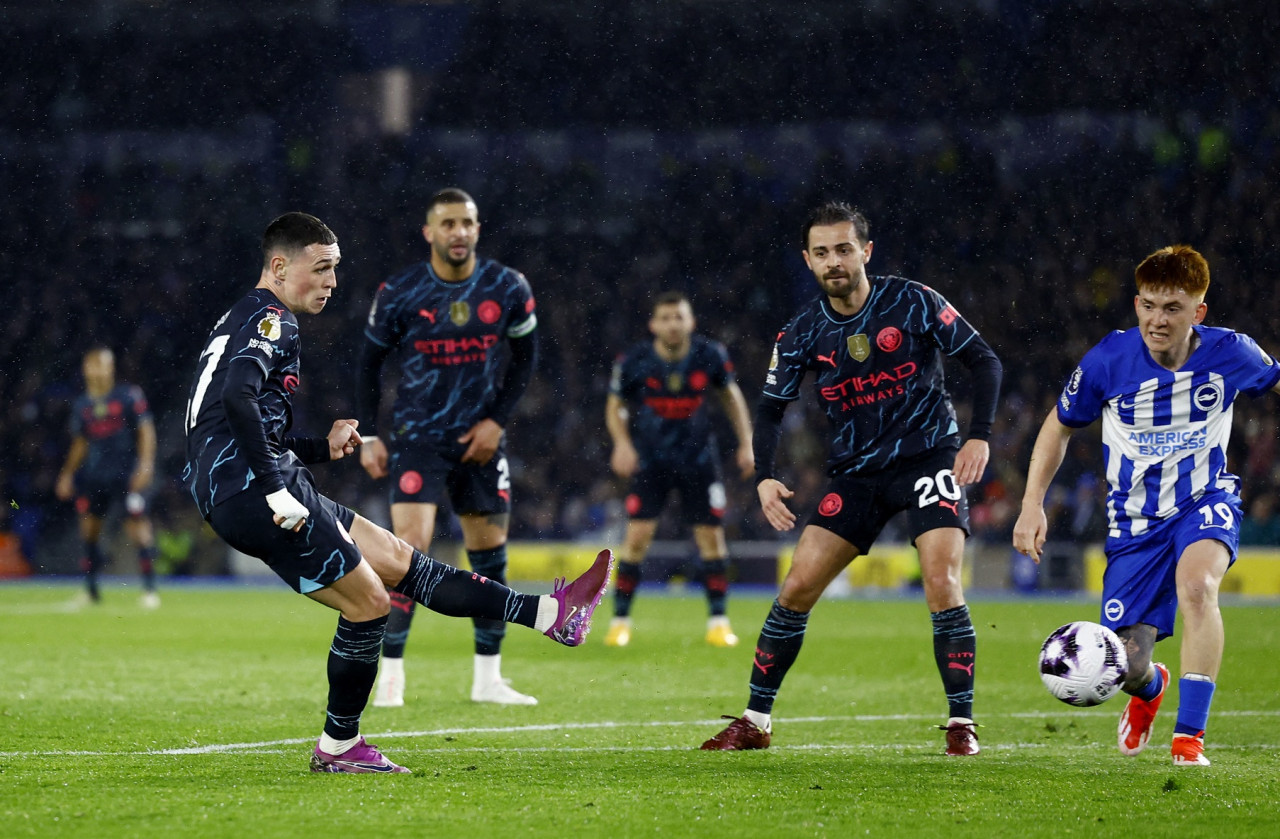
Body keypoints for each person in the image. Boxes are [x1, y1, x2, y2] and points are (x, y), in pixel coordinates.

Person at [183, 212, 612, 774]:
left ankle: (552, 614)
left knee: (397, 559)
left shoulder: (242, 315)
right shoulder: (274, 320)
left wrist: (320, 447)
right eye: (323, 268)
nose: (333, 282)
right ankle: (339, 747)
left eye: (336, 269)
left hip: (247, 481)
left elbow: (237, 418)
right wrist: (274, 489)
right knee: (371, 605)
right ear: (280, 266)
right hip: (256, 488)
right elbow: (238, 401)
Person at [701, 202, 1002, 755]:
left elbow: (985, 361)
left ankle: (962, 726)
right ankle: (755, 721)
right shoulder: (802, 331)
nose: (833, 261)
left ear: (866, 251)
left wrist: (979, 434)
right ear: (808, 260)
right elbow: (769, 410)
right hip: (858, 474)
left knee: (941, 582)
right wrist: (764, 476)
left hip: (927, 459)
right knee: (796, 587)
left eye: (843, 249)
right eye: (822, 253)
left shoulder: (913, 300)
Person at [1012, 244, 1280, 767]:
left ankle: (1189, 738)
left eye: (1173, 308)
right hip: (1134, 523)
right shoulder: (1108, 359)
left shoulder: (1233, 353)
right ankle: (1152, 687)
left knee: (1198, 587)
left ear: (1197, 312)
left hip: (1206, 498)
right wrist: (1031, 504)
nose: (1158, 320)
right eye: (1149, 306)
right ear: (1136, 304)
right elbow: (1057, 427)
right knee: (1127, 668)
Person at [356, 188, 541, 707]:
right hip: (418, 436)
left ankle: (489, 678)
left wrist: (496, 423)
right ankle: (390, 672)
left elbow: (526, 359)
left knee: (489, 556)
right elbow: (368, 365)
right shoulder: (401, 291)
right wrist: (369, 434)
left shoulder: (507, 287)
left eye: (467, 223)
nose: (458, 232)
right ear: (429, 233)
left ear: (478, 229)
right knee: (407, 551)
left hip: (479, 440)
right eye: (448, 224)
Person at [603, 291, 754, 647]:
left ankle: (719, 623)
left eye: (679, 317)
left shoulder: (710, 355)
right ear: (653, 324)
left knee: (711, 540)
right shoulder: (635, 361)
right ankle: (620, 623)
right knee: (636, 539)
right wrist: (622, 443)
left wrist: (747, 442)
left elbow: (731, 397)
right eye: (666, 318)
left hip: (699, 460)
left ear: (691, 322)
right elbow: (614, 405)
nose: (673, 324)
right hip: (650, 460)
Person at [55, 347, 160, 608]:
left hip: (126, 475)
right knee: (89, 532)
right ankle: (91, 592)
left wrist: (146, 465)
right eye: (93, 365)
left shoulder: (127, 395)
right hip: (94, 477)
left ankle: (149, 590)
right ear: (86, 369)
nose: (98, 370)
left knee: (138, 528)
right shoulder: (83, 405)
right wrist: (67, 474)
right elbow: (80, 443)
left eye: (103, 364)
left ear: (111, 368)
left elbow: (146, 431)